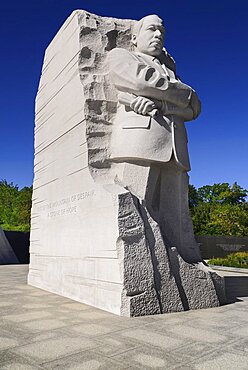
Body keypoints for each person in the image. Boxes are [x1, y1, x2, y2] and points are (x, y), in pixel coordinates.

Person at [107, 14, 202, 262]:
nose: (159, 35)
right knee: (136, 213)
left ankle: (187, 263)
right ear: (135, 37)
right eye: (152, 29)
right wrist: (183, 94)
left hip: (176, 148)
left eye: (162, 31)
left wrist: (162, 102)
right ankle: (139, 266)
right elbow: (141, 80)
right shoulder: (122, 55)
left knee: (178, 216)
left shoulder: (171, 72)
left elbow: (195, 108)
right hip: (139, 143)